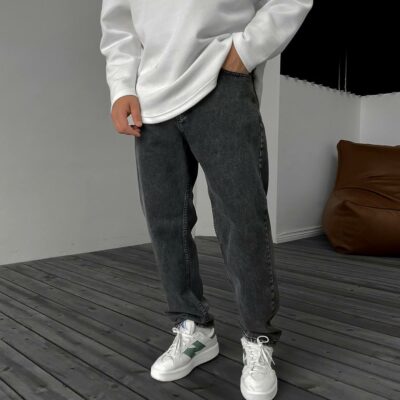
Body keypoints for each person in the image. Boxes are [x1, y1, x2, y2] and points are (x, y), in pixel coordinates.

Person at [99, 1, 313, 399]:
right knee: (166, 224)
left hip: (220, 78)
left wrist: (245, 51)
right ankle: (193, 328)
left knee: (242, 219)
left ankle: (258, 337)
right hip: (150, 96)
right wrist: (122, 87)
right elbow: (119, 25)